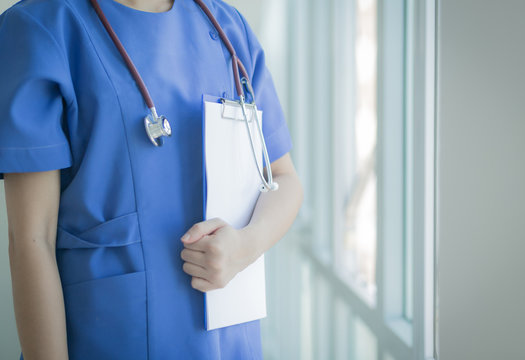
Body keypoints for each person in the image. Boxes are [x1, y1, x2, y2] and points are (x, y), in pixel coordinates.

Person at [0, 0, 303, 358]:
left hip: (230, 342)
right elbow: (33, 240)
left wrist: (246, 246)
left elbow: (283, 179)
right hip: (108, 339)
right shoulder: (41, 28)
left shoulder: (227, 26)